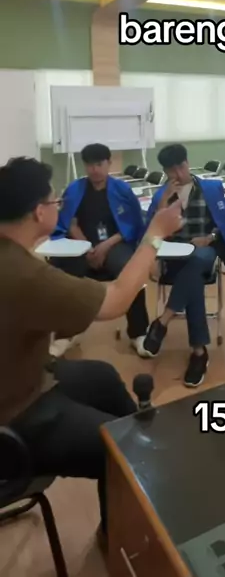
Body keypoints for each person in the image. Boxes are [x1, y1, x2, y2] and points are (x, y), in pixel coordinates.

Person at [0, 156, 182, 536]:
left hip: (23, 378)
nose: (59, 207)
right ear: (38, 212)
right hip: (14, 416)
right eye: (55, 201)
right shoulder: (21, 273)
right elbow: (115, 300)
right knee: (123, 451)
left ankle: (141, 455)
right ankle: (120, 527)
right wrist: (156, 233)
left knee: (101, 376)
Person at [141, 144, 225, 387]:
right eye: (172, 170)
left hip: (204, 250)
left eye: (181, 167)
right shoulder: (162, 195)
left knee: (196, 262)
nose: (179, 174)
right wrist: (163, 203)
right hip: (173, 256)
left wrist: (210, 238)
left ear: (187, 163)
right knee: (192, 280)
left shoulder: (211, 189)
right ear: (165, 172)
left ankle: (163, 320)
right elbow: (152, 231)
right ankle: (199, 352)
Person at [51, 143, 149, 356]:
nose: (94, 170)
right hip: (80, 245)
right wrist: (87, 247)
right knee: (63, 273)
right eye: (89, 165)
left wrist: (105, 246)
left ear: (109, 163)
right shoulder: (75, 189)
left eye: (99, 164)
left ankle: (139, 333)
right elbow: (70, 223)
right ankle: (66, 333)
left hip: (114, 244)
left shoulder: (122, 190)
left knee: (131, 270)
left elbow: (132, 225)